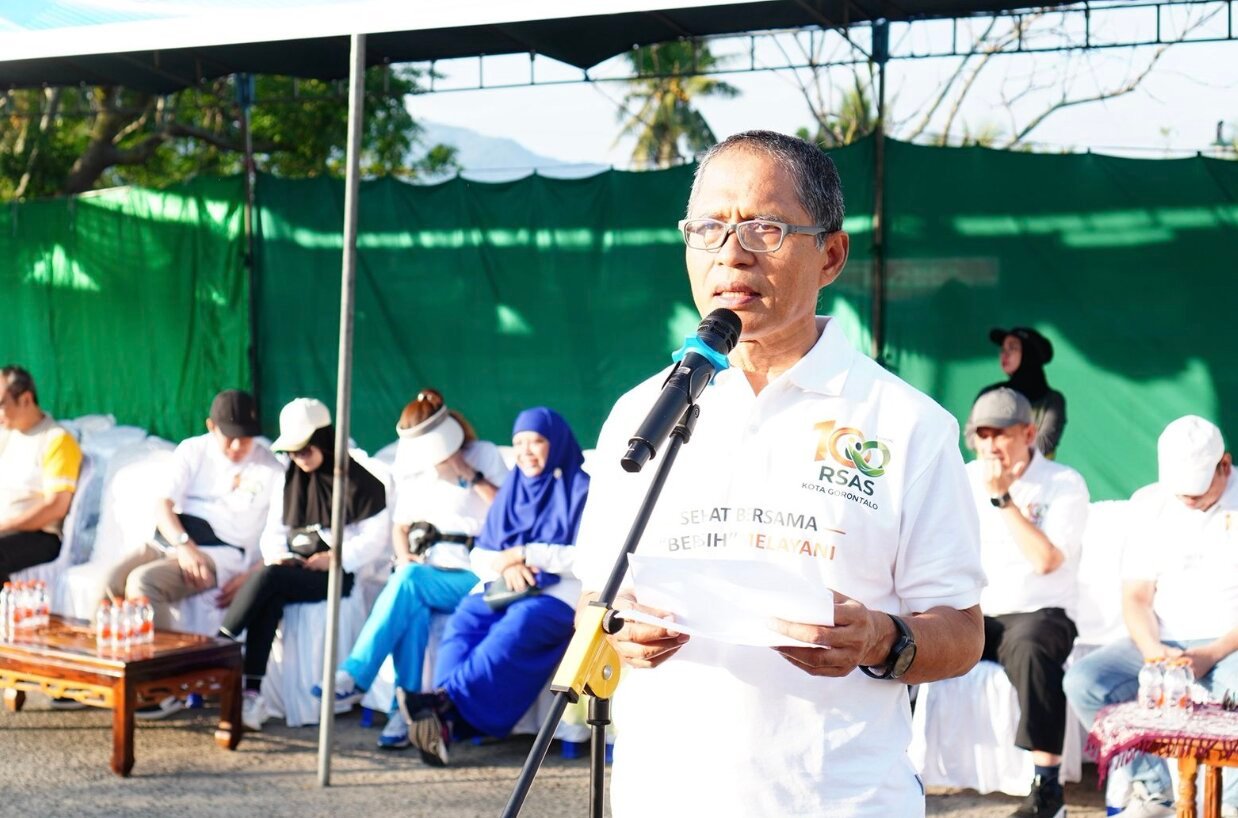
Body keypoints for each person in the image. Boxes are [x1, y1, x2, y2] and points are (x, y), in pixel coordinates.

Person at [572, 130, 986, 817]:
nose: (731, 254)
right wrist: (619, 628)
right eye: (708, 227)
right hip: (661, 795)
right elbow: (596, 599)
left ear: (831, 254)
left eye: (765, 227)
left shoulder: (906, 424)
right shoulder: (640, 415)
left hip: (840, 799)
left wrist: (880, 638)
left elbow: (962, 634)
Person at [313, 389, 507, 750]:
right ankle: (404, 715)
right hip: (424, 569)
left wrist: (470, 475)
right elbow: (400, 526)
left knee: (409, 583)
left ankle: (355, 674)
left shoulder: (485, 455)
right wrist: (403, 558)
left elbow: (509, 515)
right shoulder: (416, 469)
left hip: (475, 572)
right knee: (412, 603)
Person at [1063, 416, 1237, 818]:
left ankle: (1229, 802)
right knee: (1085, 683)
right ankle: (1155, 792)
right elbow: (1137, 597)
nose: (1187, 499)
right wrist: (1154, 652)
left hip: (1229, 644)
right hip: (1164, 644)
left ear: (1224, 465)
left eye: (1197, 488)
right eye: (1181, 490)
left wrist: (1211, 653)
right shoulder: (1150, 502)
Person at [397, 407, 590, 768]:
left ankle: (444, 713)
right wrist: (507, 562)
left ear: (557, 442)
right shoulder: (513, 489)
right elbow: (482, 554)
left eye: (536, 441)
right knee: (465, 619)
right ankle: (445, 717)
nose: (526, 451)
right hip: (505, 584)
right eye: (519, 443)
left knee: (519, 625)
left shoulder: (583, 490)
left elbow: (590, 554)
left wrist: (526, 553)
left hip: (558, 592)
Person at [101, 388, 283, 719]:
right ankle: (110, 673)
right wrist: (183, 545)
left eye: (245, 438)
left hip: (223, 552)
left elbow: (277, 534)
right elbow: (162, 505)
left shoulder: (271, 469)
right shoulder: (193, 450)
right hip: (177, 539)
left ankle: (163, 683)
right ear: (212, 427)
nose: (237, 446)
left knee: (144, 584)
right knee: (111, 581)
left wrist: (253, 574)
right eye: (230, 437)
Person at [219, 397, 389, 731]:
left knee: (269, 580)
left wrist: (335, 557)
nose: (299, 458)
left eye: (305, 450)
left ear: (324, 440)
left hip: (338, 574)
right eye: (293, 452)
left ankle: (222, 641)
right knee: (269, 594)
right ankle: (253, 693)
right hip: (294, 569)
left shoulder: (362, 482)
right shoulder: (290, 479)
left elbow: (373, 539)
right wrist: (281, 555)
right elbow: (274, 531)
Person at [965, 387, 1089, 818]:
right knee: (907, 634)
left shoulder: (1064, 483)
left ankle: (1047, 789)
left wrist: (1003, 498)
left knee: (1034, 648)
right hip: (977, 610)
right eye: (983, 434)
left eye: (1002, 433)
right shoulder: (962, 479)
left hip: (1041, 612)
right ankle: (896, 763)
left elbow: (1046, 560)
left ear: (1029, 432)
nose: (992, 445)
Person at [0, 365, 83, 584]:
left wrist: (6, 525)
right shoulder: (7, 435)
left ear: (26, 399)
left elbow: (55, 506)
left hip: (40, 536)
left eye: (1, 404)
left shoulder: (57, 440)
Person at [979, 327, 1067, 457]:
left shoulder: (1052, 400)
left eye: (1012, 348)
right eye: (1003, 349)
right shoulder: (990, 394)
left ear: (1029, 354)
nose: (1004, 354)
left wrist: (1002, 450)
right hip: (990, 476)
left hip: (1034, 477)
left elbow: (1044, 444)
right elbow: (972, 435)